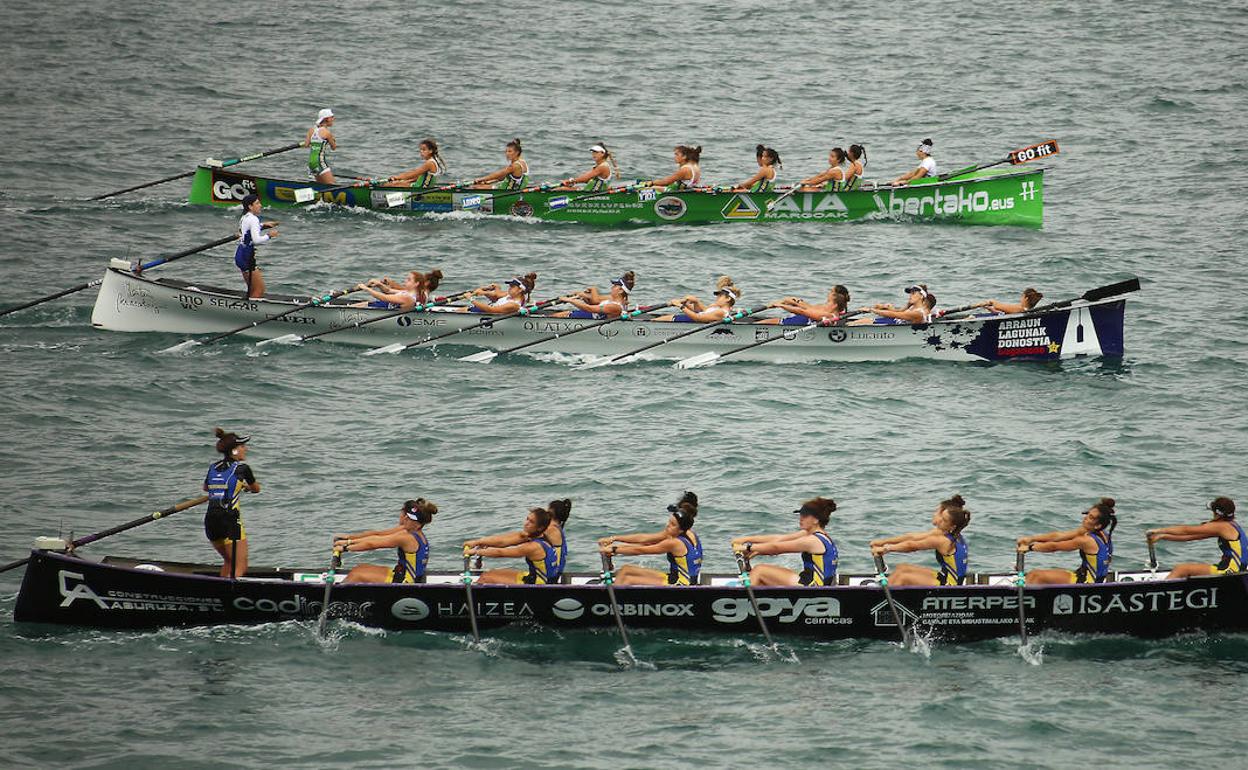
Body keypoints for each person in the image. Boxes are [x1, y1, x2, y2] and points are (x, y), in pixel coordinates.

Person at [598, 493, 703, 585]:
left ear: (680, 529)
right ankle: (615, 596)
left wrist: (613, 550)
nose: (667, 526)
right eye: (669, 522)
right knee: (625, 569)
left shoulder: (674, 543)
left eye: (672, 525)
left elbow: (641, 550)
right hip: (676, 577)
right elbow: (644, 539)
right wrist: (614, 539)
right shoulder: (689, 533)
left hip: (681, 585)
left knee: (628, 580)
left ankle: (609, 604)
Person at [731, 497, 839, 586]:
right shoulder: (812, 534)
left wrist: (748, 548)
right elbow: (778, 539)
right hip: (813, 581)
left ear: (816, 520)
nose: (801, 518)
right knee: (766, 576)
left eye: (805, 515)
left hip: (813, 586)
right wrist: (746, 539)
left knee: (759, 570)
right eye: (800, 514)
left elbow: (776, 548)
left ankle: (744, 603)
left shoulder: (812, 541)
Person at [870, 494, 971, 587]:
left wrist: (886, 549)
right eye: (941, 517)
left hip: (951, 585)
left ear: (952, 526)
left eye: (944, 520)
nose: (939, 520)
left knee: (904, 577)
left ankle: (881, 597)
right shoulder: (948, 533)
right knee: (903, 568)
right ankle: (884, 589)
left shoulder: (943, 541)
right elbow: (913, 537)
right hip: (944, 575)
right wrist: (882, 543)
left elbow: (912, 546)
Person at [333, 499, 437, 584]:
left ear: (418, 524)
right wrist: (349, 540)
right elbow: (377, 535)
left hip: (407, 583)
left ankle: (337, 598)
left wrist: (344, 548)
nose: (404, 519)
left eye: (409, 519)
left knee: (357, 575)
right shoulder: (409, 531)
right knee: (360, 568)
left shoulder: (407, 538)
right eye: (406, 516)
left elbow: (372, 544)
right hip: (402, 574)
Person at [1017, 498, 1118, 584]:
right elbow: (1059, 536)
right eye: (1087, 514)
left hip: (1087, 583)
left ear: (1098, 525)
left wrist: (1029, 548)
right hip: (1089, 576)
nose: (1085, 518)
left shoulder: (1086, 540)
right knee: (1035, 575)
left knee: (1035, 575)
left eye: (1091, 518)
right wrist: (1031, 539)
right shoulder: (1102, 534)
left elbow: (1054, 547)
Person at [202, 428, 260, 579]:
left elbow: (206, 488)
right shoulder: (242, 468)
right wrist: (245, 487)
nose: (245, 449)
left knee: (229, 561)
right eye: (242, 447)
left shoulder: (212, 467)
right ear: (234, 451)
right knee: (240, 565)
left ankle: (218, 591)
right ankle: (229, 594)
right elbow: (256, 489)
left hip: (210, 521)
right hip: (230, 521)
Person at [1148, 497, 1245, 578]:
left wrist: (1159, 530)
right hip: (1237, 569)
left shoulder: (1222, 527)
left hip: (1231, 571)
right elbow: (1190, 537)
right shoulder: (1230, 526)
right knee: (1186, 569)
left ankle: (1162, 593)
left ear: (1217, 514)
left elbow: (1185, 530)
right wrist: (1162, 536)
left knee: (1181, 569)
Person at [466, 505, 562, 584]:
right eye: (527, 519)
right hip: (535, 576)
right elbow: (503, 541)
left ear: (540, 528)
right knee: (489, 573)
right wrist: (477, 542)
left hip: (540, 584)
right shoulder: (534, 536)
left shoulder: (533, 546)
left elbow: (501, 553)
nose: (526, 524)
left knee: (485, 579)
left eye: (531, 522)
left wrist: (476, 552)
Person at [235, 194, 277, 299]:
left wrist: (264, 225)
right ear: (250, 206)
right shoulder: (253, 219)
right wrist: (269, 235)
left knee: (252, 289)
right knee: (259, 289)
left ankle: (246, 309)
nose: (260, 205)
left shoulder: (245, 217)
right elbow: (256, 240)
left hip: (241, 255)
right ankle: (248, 313)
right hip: (247, 257)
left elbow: (248, 230)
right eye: (257, 203)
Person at [654, 276, 741, 322]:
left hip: (692, 322)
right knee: (657, 319)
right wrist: (695, 302)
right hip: (691, 320)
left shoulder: (721, 312)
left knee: (655, 321)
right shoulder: (716, 307)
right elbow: (703, 311)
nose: (717, 297)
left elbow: (697, 317)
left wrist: (680, 306)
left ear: (728, 299)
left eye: (720, 296)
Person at [552, 272, 634, 319]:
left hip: (585, 319)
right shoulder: (613, 299)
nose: (612, 287)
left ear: (620, 291)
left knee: (557, 316)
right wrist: (585, 297)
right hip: (584, 316)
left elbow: (589, 308)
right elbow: (594, 303)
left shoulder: (616, 307)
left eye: (615, 286)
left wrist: (569, 300)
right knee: (556, 315)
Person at [353, 269, 443, 309]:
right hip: (384, 306)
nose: (405, 281)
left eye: (408, 280)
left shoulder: (410, 297)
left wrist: (366, 288)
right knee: (360, 304)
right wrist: (379, 284)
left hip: (383, 309)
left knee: (355, 306)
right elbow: (388, 291)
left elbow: (384, 297)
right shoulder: (415, 293)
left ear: (417, 283)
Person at [760, 285, 849, 325]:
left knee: (763, 323)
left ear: (834, 296)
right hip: (792, 321)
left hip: (787, 325)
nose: (828, 293)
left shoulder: (829, 316)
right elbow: (806, 306)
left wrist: (781, 305)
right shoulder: (822, 308)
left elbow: (802, 311)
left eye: (830, 291)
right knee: (762, 322)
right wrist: (787, 301)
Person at [850, 284, 936, 325]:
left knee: (862, 322)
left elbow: (896, 314)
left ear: (921, 296)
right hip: (892, 322)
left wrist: (871, 310)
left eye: (913, 293)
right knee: (862, 320)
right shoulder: (912, 307)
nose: (910, 295)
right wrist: (884, 307)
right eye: (910, 293)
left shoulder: (918, 313)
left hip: (893, 326)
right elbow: (898, 311)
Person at [460, 273, 537, 314]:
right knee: (460, 309)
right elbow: (496, 296)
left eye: (512, 286)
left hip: (486, 313)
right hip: (481, 310)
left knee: (460, 310)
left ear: (520, 290)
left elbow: (491, 310)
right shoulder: (511, 295)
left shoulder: (514, 305)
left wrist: (471, 299)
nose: (509, 287)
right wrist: (485, 291)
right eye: (510, 285)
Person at [304, 108, 338, 184]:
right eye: (332, 117)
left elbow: (306, 145)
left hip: (311, 163)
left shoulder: (311, 130)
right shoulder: (327, 133)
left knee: (321, 186)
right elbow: (334, 147)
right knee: (332, 186)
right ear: (327, 119)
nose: (333, 119)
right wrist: (332, 140)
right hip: (320, 162)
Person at [977, 288, 1043, 315]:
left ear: (1026, 298)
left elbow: (996, 305)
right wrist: (991, 309)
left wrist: (991, 301)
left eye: (1022, 297)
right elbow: (1006, 312)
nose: (1021, 299)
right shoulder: (1029, 310)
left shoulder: (1019, 309)